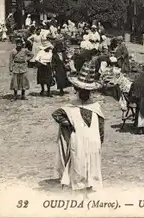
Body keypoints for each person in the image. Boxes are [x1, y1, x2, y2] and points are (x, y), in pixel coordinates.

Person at [52, 61, 104, 193]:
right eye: (82, 91)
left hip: (92, 140)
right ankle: (79, 184)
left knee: (91, 162)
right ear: (77, 90)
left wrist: (99, 140)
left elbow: (101, 126)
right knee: (78, 161)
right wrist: (70, 124)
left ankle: (90, 183)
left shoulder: (95, 107)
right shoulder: (71, 106)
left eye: (87, 92)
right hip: (79, 139)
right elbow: (56, 114)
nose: (85, 94)